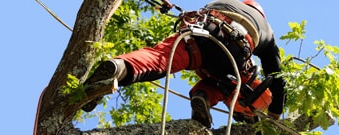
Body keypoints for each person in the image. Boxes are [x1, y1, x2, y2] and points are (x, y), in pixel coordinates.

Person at [81, 0, 286, 128]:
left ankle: (117, 68)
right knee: (237, 84)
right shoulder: (266, 30)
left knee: (157, 58)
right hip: (234, 53)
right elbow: (277, 77)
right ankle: (205, 97)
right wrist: (275, 114)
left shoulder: (224, 2)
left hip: (200, 34)